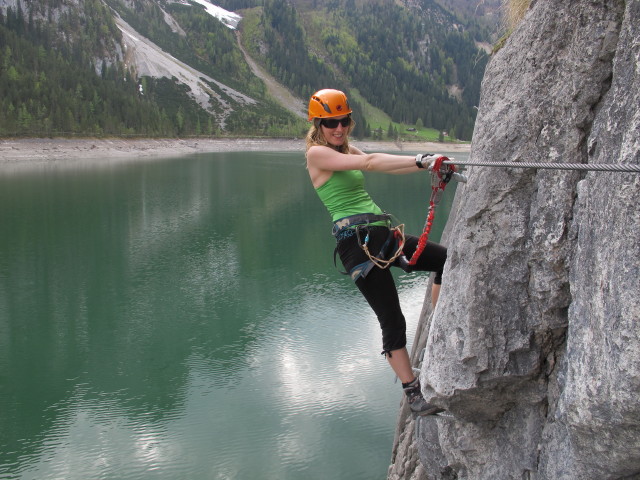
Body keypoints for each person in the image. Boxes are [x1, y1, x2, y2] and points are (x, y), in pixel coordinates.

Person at [305, 88, 447, 416]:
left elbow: (382, 164)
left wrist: (426, 165)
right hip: (356, 243)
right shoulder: (316, 155)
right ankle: (412, 392)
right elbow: (370, 163)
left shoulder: (347, 148)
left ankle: (438, 322)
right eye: (331, 123)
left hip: (383, 234)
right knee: (391, 318)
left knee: (445, 259)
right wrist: (419, 160)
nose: (339, 129)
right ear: (318, 124)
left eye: (344, 121)